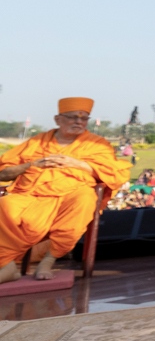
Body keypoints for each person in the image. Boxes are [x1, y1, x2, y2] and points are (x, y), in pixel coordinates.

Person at [0, 98, 130, 282]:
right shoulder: (36, 142)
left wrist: (76, 163)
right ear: (57, 119)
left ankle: (47, 261)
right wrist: (32, 164)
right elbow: (3, 173)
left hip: (72, 195)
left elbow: (114, 174)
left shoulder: (97, 144)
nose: (78, 122)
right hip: (30, 194)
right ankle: (7, 265)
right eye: (72, 117)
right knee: (5, 205)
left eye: (83, 118)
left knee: (84, 200)